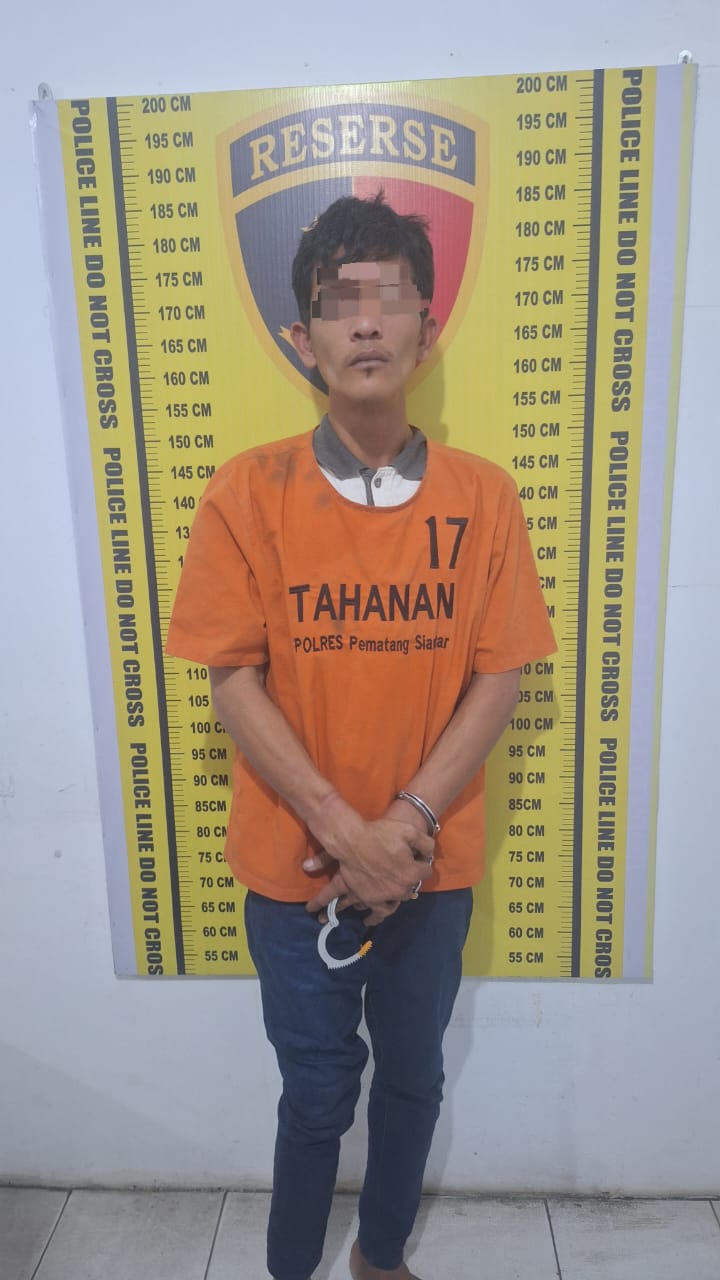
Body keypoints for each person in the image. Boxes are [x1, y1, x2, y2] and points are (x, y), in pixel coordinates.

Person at [166, 192, 556, 1280]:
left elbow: (500, 672)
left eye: (392, 298)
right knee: (316, 1093)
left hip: (433, 865)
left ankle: (381, 1260)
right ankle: (292, 1266)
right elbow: (232, 677)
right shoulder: (247, 491)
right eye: (342, 303)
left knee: (414, 1079)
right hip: (296, 873)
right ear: (306, 338)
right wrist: (347, 831)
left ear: (429, 327)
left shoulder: (486, 497)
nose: (369, 322)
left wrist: (405, 826)